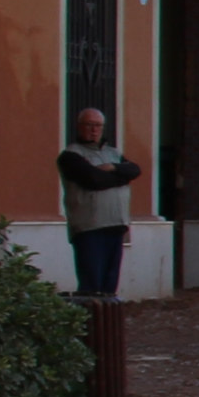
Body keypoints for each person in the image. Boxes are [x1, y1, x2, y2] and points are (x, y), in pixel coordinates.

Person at [59, 106, 143, 296]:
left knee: (109, 286)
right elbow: (93, 180)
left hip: (115, 225)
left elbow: (135, 170)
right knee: (91, 285)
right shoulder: (71, 156)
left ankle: (106, 322)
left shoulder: (114, 153)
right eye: (89, 125)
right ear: (80, 127)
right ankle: (90, 322)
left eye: (98, 125)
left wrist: (112, 167)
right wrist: (120, 177)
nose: (94, 129)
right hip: (89, 228)